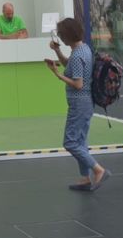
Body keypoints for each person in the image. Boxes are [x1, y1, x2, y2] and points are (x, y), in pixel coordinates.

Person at [44, 17, 111, 192]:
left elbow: (78, 83)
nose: (60, 38)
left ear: (66, 35)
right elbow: (71, 65)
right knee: (81, 141)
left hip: (79, 103)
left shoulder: (78, 54)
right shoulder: (83, 49)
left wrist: (57, 74)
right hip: (85, 103)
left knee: (71, 143)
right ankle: (84, 178)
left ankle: (98, 170)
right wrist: (58, 53)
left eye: (61, 35)